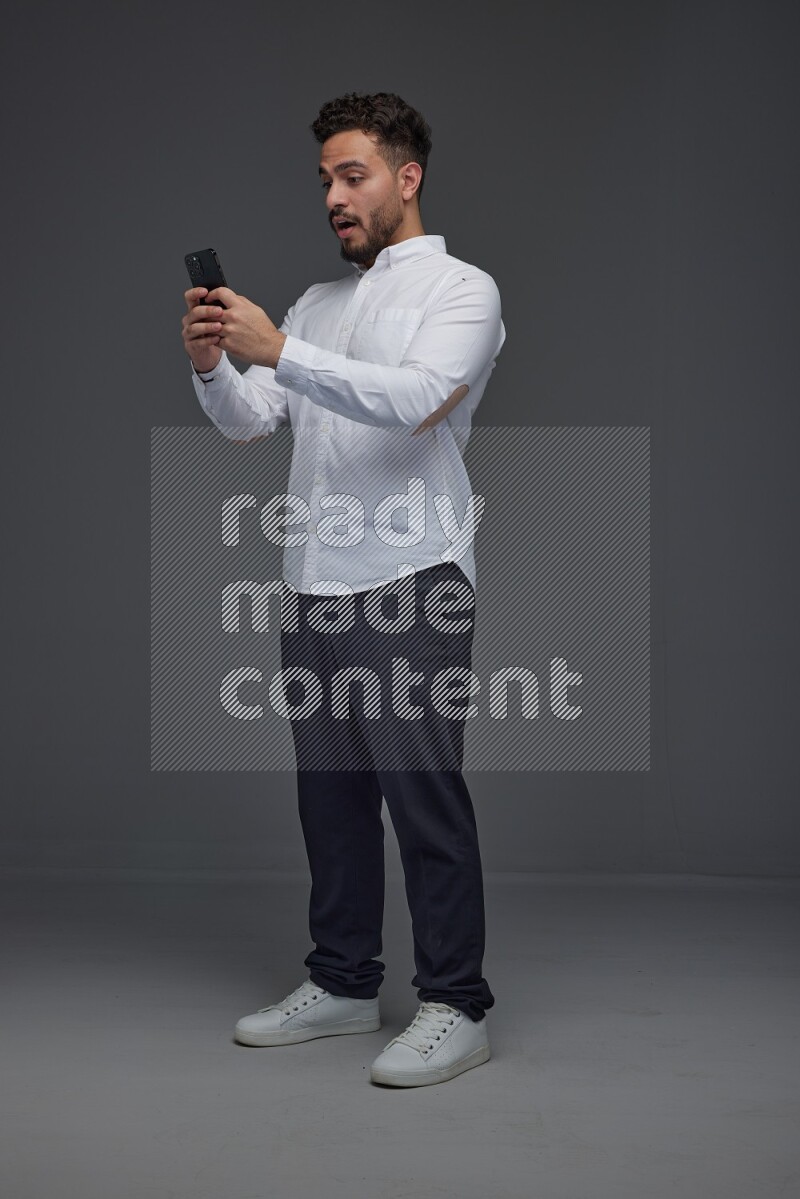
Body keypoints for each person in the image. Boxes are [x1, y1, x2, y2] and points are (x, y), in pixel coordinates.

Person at [181, 91, 505, 1087]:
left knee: (422, 798)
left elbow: (415, 401)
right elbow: (249, 422)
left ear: (406, 178)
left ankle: (455, 1001)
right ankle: (344, 981)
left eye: (351, 173)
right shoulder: (319, 305)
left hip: (411, 582)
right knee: (329, 800)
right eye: (324, 177)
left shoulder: (461, 290)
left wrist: (278, 349)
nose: (333, 194)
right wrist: (211, 366)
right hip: (314, 584)